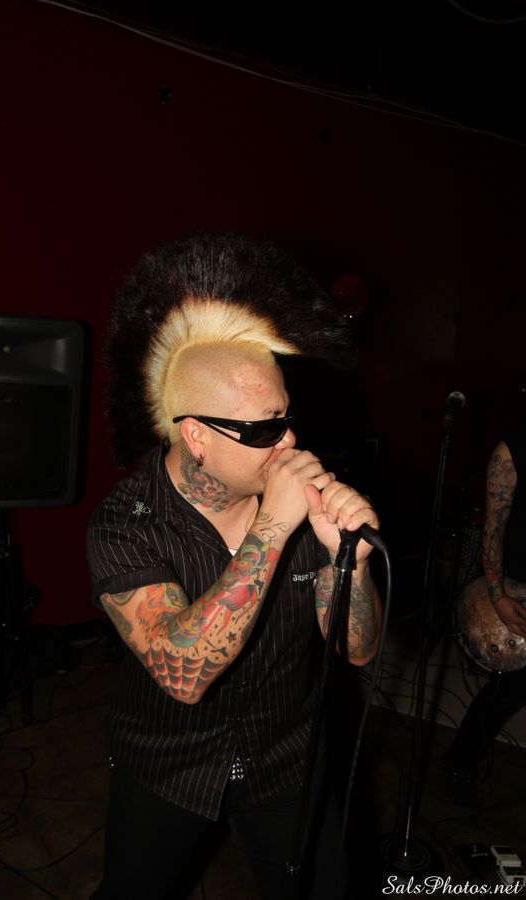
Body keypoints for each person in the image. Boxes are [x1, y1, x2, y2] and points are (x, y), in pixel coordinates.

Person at [86, 232, 382, 900]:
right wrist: (274, 526)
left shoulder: (308, 503)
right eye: (263, 428)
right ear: (196, 435)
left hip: (286, 759)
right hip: (169, 767)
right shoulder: (127, 523)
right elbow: (182, 674)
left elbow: (357, 649)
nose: (289, 441)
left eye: (287, 418)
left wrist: (352, 565)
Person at [445, 431, 526, 806]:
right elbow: (493, 529)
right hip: (519, 590)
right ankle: (459, 763)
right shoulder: (511, 451)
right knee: (508, 690)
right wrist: (497, 595)